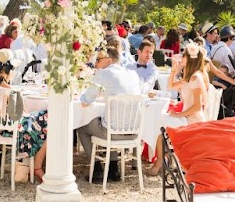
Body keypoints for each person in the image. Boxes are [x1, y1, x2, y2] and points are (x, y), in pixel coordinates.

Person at [0, 50, 48, 182]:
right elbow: (17, 114)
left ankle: (36, 166)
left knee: (44, 119)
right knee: (49, 122)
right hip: (10, 130)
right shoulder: (8, 90)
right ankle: (37, 166)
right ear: (10, 71)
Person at [76, 47, 141, 183]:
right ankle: (113, 168)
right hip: (134, 132)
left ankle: (97, 169)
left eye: (98, 60)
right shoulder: (132, 74)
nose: (96, 64)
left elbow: (86, 101)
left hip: (112, 132)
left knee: (82, 127)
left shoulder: (103, 74)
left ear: (109, 60)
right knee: (109, 120)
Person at [146, 42, 209, 176]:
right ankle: (163, 161)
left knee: (160, 123)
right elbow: (170, 85)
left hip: (193, 119)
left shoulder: (195, 78)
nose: (181, 57)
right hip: (187, 117)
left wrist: (179, 114)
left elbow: (197, 106)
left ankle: (160, 162)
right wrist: (174, 69)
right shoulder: (189, 77)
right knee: (160, 121)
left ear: (189, 58)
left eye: (184, 55)